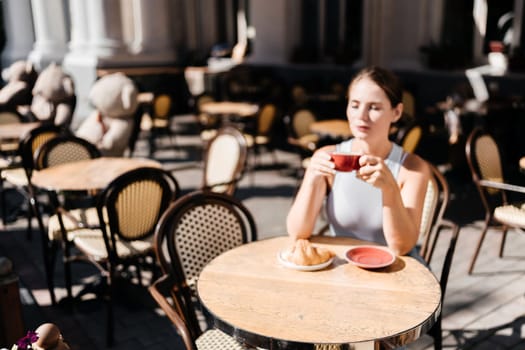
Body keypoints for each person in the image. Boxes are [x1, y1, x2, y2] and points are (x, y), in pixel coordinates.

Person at [287, 66, 430, 257]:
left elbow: (401, 247)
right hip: (344, 270)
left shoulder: (412, 169)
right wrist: (312, 179)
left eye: (374, 107)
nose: (361, 116)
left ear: (396, 112)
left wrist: (390, 190)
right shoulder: (329, 157)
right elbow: (297, 234)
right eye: (355, 105)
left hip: (396, 273)